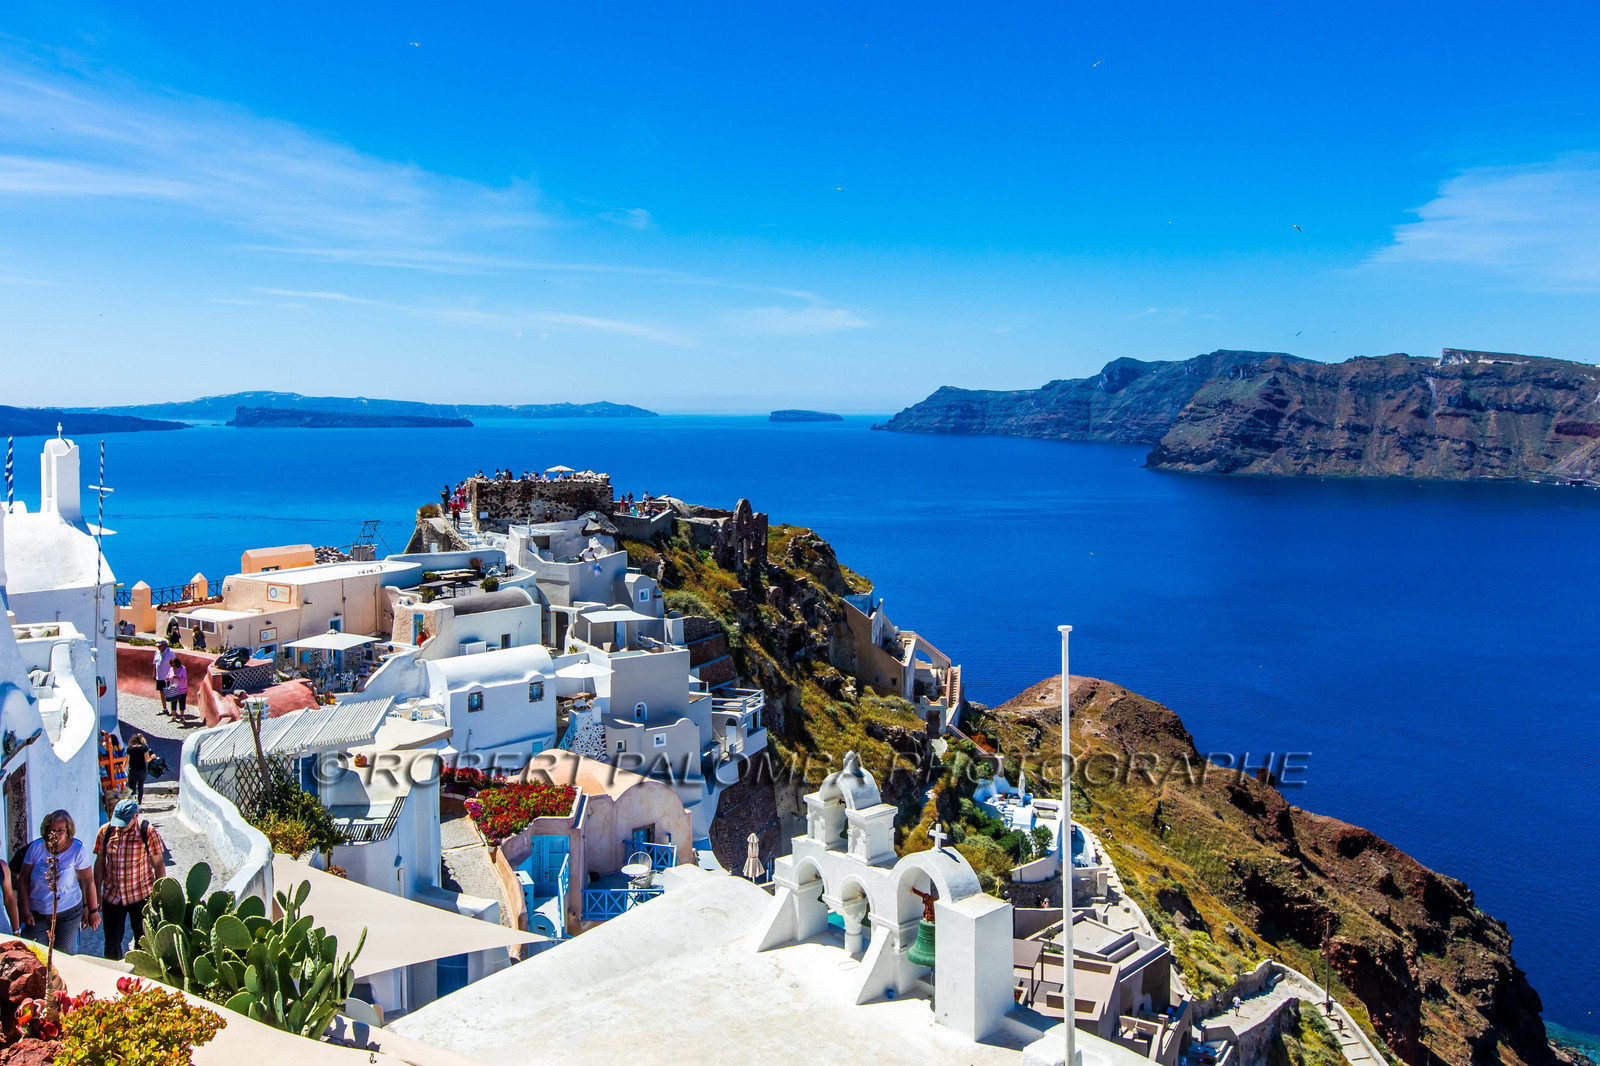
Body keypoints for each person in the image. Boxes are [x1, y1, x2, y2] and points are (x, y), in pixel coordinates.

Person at [18, 810, 99, 954]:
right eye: (52, 830)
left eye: (61, 830)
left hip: (68, 911)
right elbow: (23, 879)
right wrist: (24, 910)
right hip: (38, 912)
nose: (56, 834)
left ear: (68, 831)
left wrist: (92, 910)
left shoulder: (77, 849)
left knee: (65, 953)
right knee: (37, 953)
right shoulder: (36, 848)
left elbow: (88, 880)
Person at [94, 799, 165, 961]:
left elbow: (159, 865)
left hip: (140, 895)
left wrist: (159, 896)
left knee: (143, 942)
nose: (120, 826)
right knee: (111, 942)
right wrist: (97, 892)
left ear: (135, 816)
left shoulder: (148, 832)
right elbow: (99, 863)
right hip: (112, 896)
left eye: (125, 822)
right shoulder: (105, 832)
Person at [125, 733, 150, 802]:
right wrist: (152, 757)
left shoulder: (129, 749)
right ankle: (139, 802)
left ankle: (132, 802)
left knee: (132, 788)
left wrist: (123, 768)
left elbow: (127, 761)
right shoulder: (144, 748)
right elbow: (147, 759)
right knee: (140, 787)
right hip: (142, 770)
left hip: (132, 771)